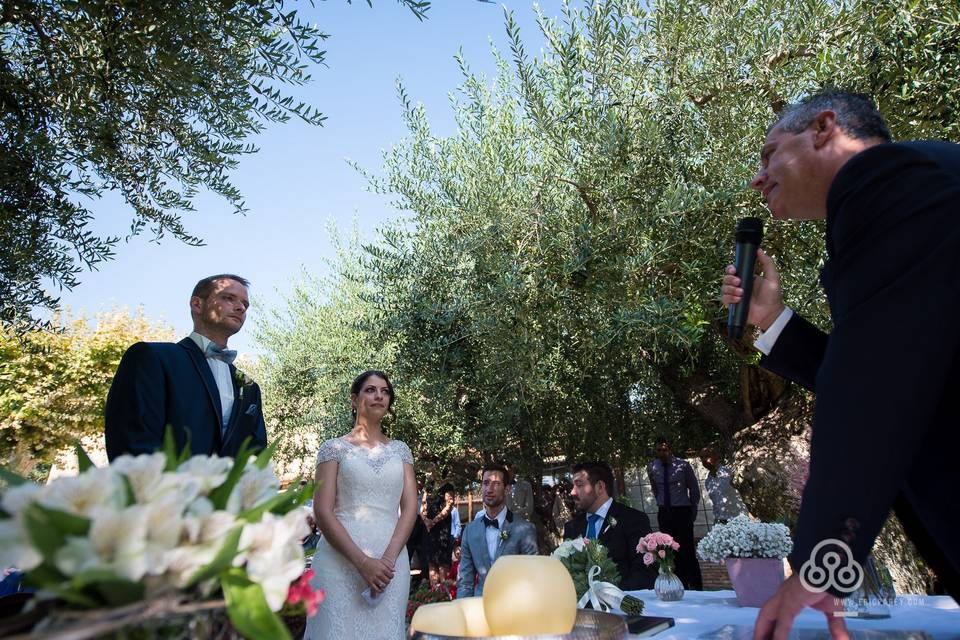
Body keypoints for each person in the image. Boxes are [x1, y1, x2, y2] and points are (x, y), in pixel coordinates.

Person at [720, 91, 960, 637]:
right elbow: (895, 360)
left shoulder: (888, 179)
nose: (758, 178)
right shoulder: (916, 191)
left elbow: (871, 387)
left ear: (825, 128)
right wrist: (773, 319)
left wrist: (821, 565)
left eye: (769, 153)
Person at [305, 371, 417, 640]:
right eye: (370, 390)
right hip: (339, 564)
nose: (379, 395)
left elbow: (410, 507)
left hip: (390, 570)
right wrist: (363, 562)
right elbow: (322, 510)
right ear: (354, 399)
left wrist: (386, 562)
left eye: (385, 391)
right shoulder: (332, 449)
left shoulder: (401, 451)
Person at [104, 274, 266, 459]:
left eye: (245, 304)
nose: (240, 307)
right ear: (197, 304)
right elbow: (130, 440)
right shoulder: (152, 358)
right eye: (228, 298)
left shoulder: (250, 387)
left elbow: (256, 453)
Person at [564, 461, 655, 590]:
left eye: (579, 485)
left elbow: (643, 572)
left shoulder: (632, 520)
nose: (572, 492)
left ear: (600, 487)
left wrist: (613, 599)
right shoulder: (572, 527)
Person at [457, 463, 538, 598]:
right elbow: (465, 581)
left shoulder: (525, 529)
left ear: (507, 489)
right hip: (479, 607)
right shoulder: (470, 531)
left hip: (513, 607)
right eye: (486, 483)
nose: (489, 489)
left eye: (496, 484)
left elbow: (531, 578)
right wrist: (462, 612)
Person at [647, 439, 703, 590]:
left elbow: (694, 490)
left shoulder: (683, 466)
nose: (662, 453)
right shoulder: (652, 467)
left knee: (688, 551)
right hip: (665, 512)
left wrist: (692, 510)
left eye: (664, 449)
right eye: (658, 450)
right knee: (670, 551)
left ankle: (697, 587)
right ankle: (680, 585)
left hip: (682, 511)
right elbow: (655, 488)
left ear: (670, 450)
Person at [421, 474, 456, 589]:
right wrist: (425, 520)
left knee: (441, 561)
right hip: (429, 529)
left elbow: (449, 506)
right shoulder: (429, 487)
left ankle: (444, 592)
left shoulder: (447, 486)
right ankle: (434, 592)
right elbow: (423, 505)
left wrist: (434, 521)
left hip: (442, 528)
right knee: (431, 560)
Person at [698, 447, 748, 524]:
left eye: (707, 456)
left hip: (738, 520)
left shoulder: (729, 473)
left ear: (716, 456)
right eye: (702, 458)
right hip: (720, 522)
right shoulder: (708, 481)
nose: (704, 460)